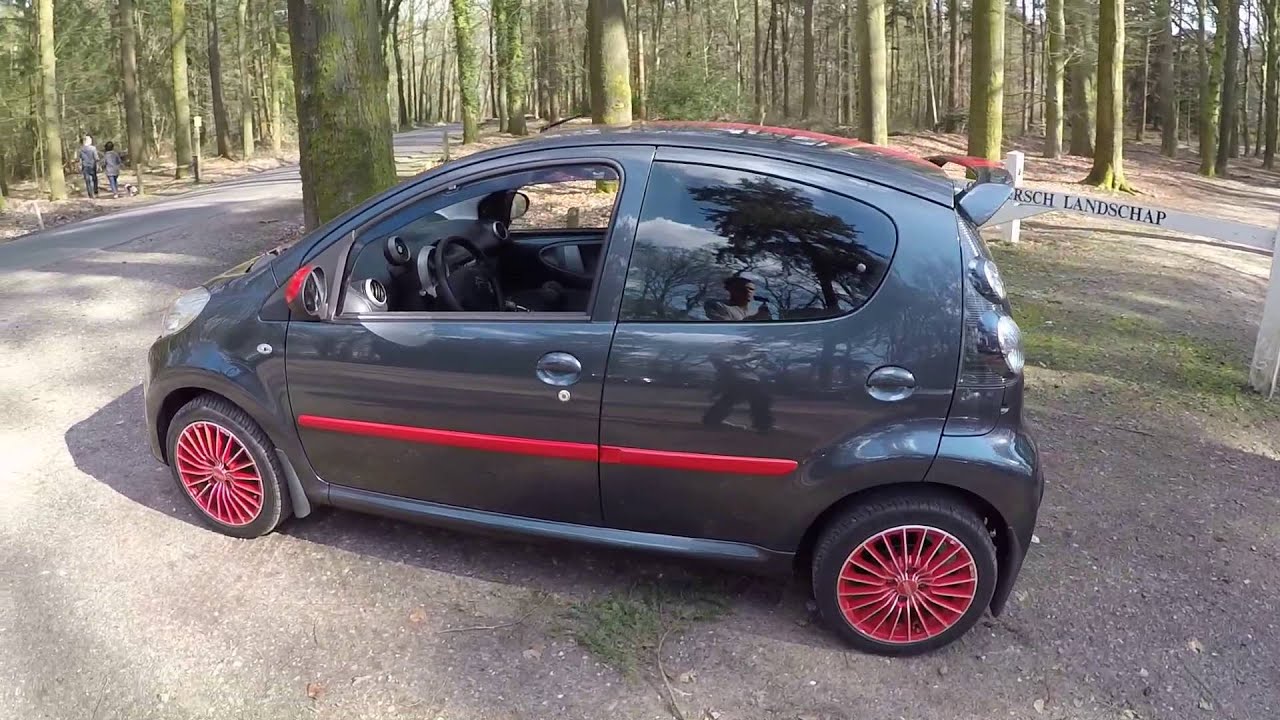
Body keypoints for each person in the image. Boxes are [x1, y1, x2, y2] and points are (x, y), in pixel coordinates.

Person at [705, 275, 772, 321]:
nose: (748, 291)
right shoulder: (717, 305)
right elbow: (727, 327)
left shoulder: (758, 309)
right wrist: (755, 317)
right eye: (742, 288)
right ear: (731, 290)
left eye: (751, 289)